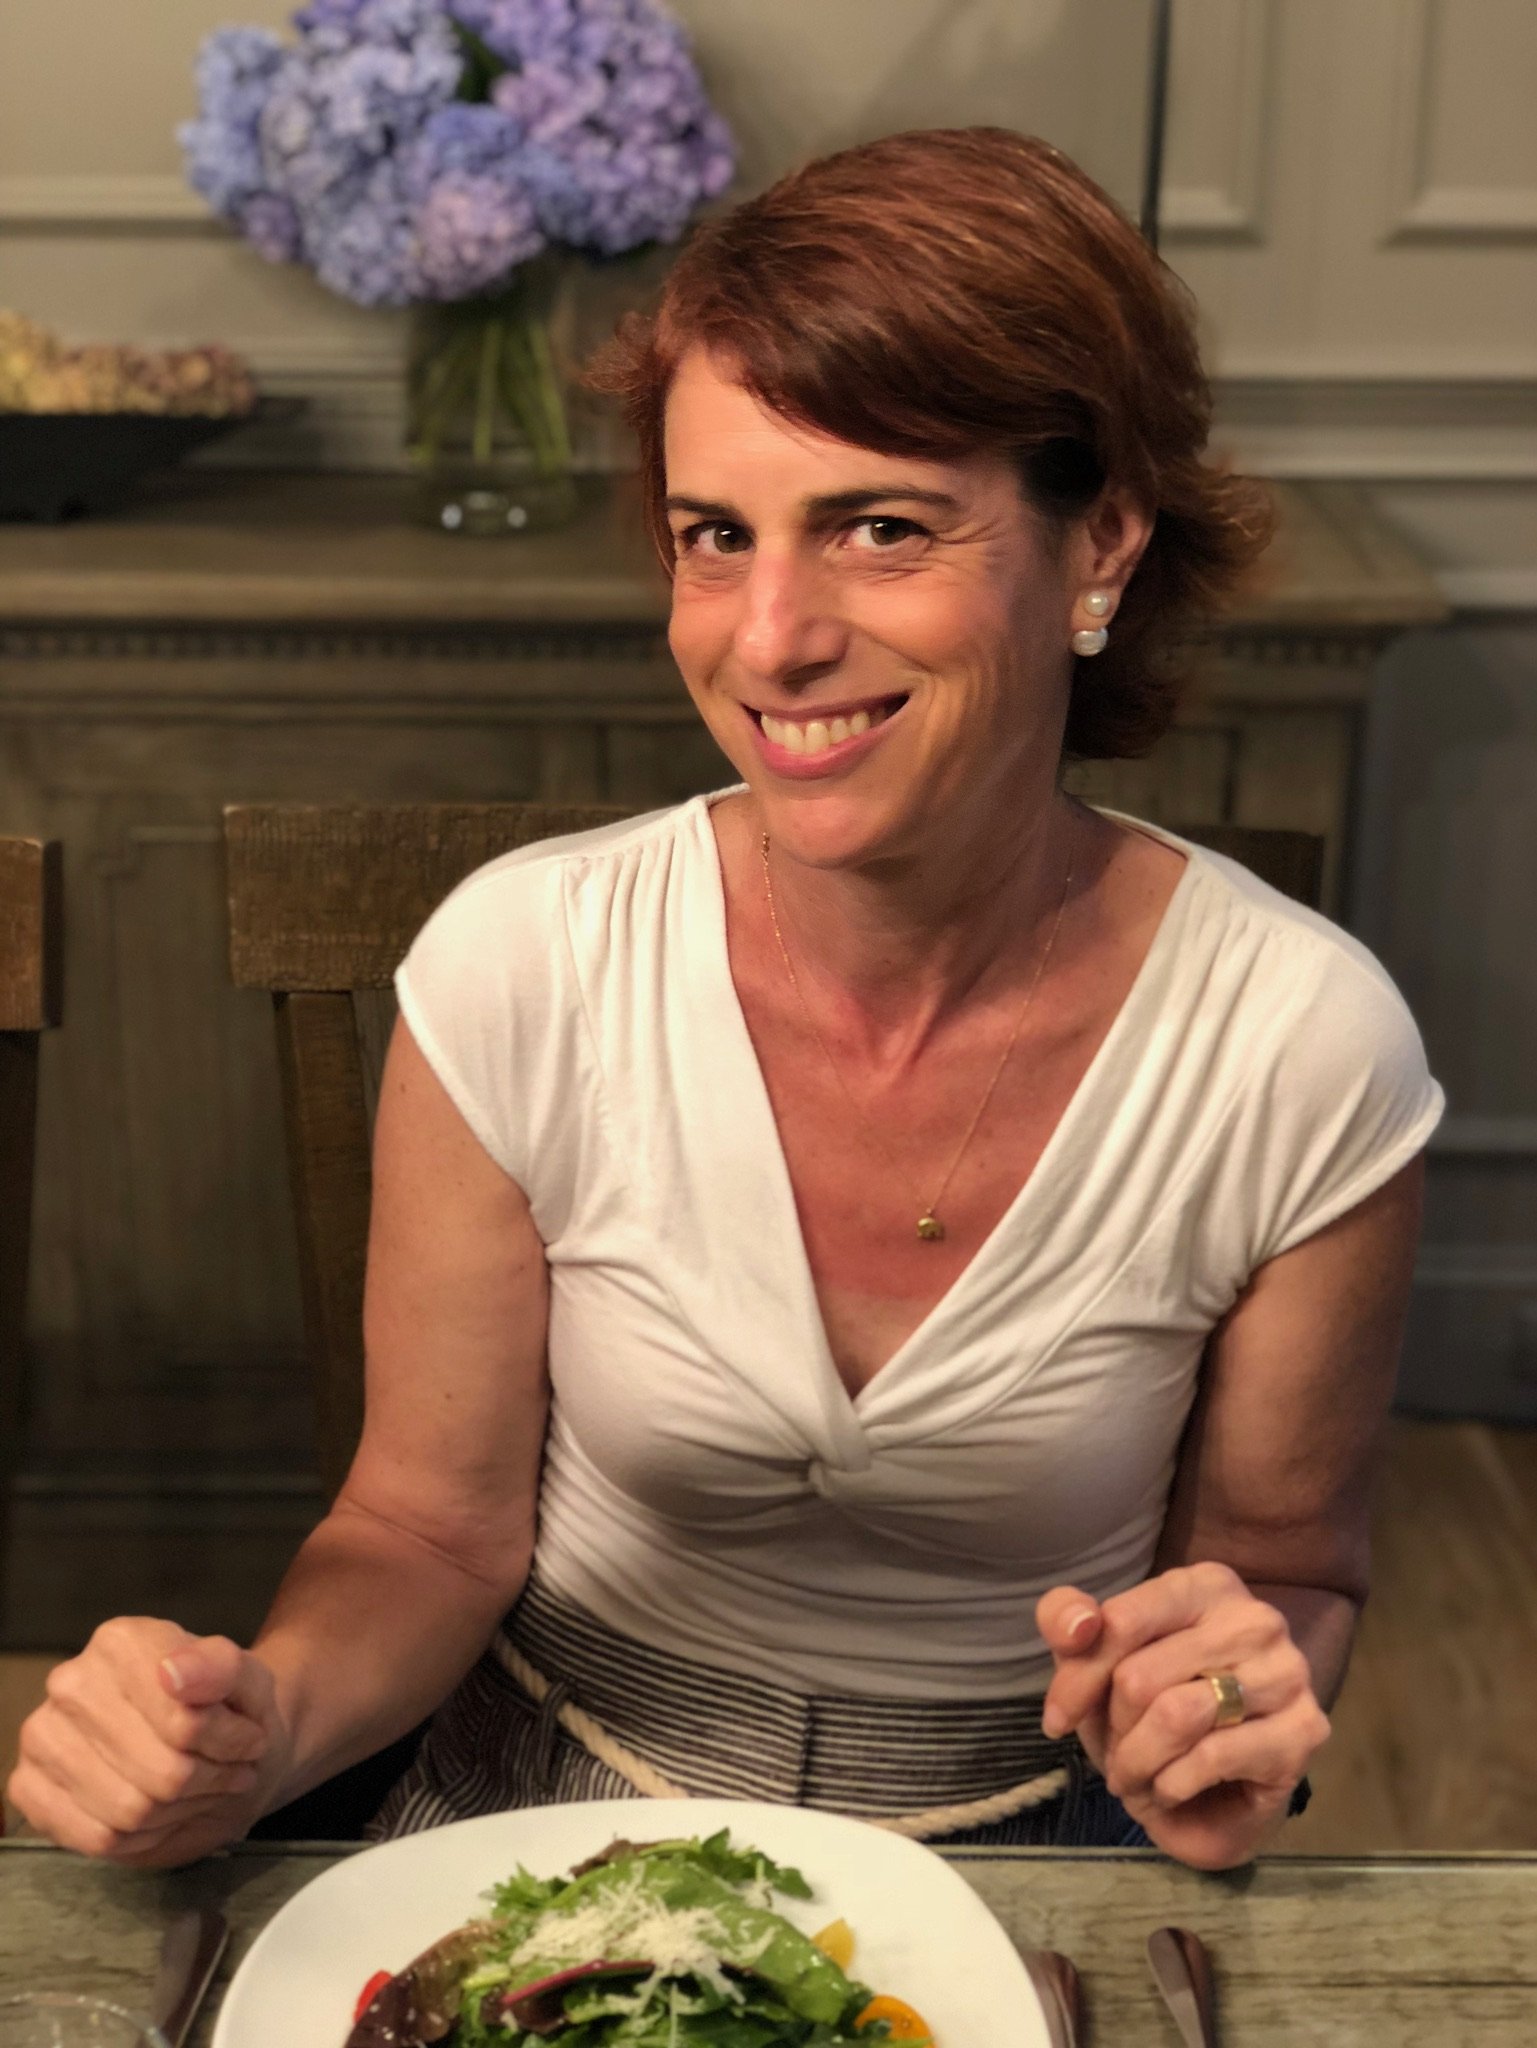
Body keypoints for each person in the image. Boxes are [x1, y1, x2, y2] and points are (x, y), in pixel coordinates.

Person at [8, 128, 1441, 1873]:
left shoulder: (1299, 1046)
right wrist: (256, 1728)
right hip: (530, 1812)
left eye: (881, 528)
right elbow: (421, 1530)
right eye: (713, 534)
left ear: (1101, 549)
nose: (767, 638)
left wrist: (1220, 1712)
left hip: (1030, 1853)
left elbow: (1286, 1577)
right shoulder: (522, 962)